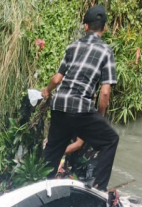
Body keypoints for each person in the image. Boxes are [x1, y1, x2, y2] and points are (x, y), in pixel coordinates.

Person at [41, 5, 118, 191]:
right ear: (104, 28)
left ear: (86, 27)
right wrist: (98, 118)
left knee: (53, 150)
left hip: (59, 104)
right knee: (110, 139)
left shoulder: (72, 47)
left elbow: (57, 79)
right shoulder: (106, 52)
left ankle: (41, 188)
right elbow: (105, 93)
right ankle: (99, 189)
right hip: (80, 107)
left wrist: (46, 91)